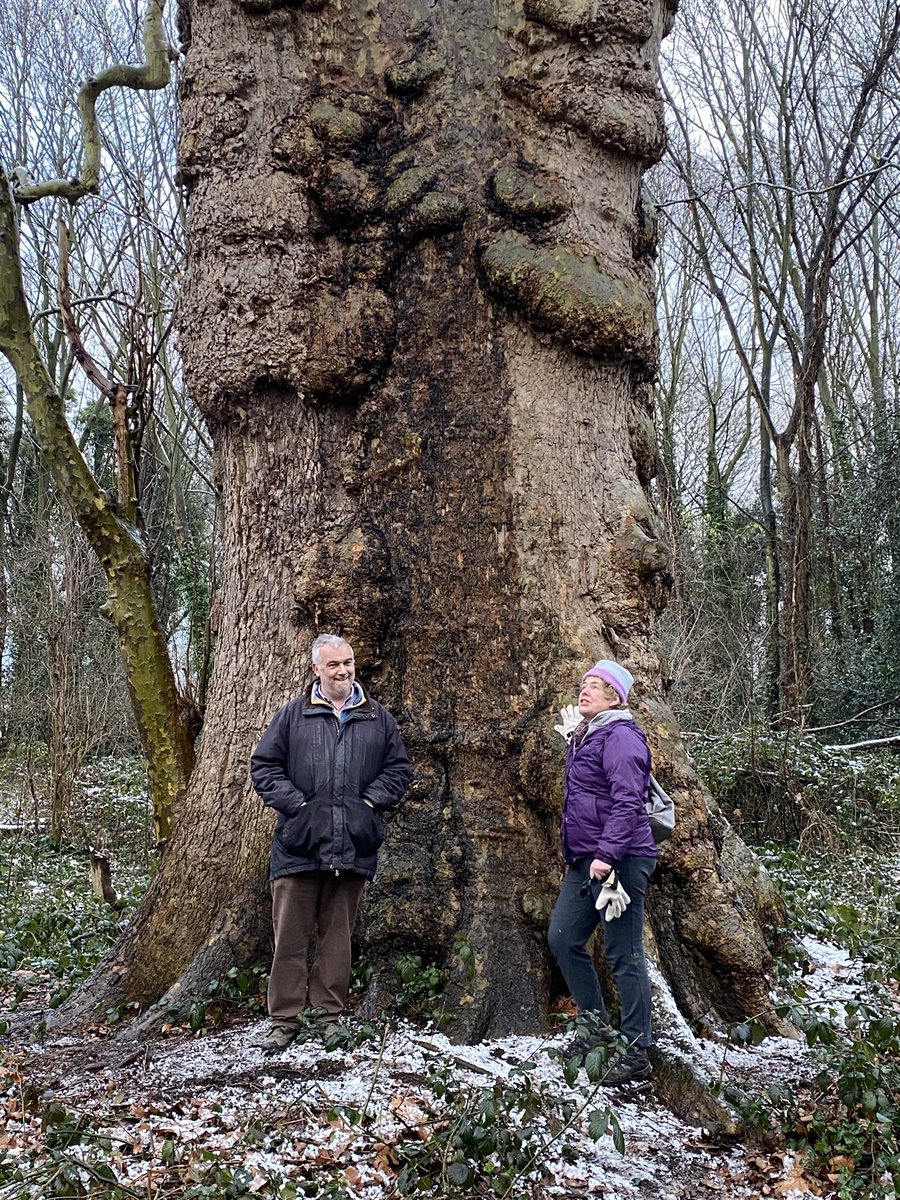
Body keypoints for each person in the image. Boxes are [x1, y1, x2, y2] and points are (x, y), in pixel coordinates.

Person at [250, 633, 411, 1051]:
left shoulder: (378, 718)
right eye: (334, 664)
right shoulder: (292, 716)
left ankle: (328, 1015)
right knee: (289, 938)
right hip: (299, 845)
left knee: (337, 939)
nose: (343, 671)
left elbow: (398, 769)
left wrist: (369, 802)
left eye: (348, 663)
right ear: (316, 669)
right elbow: (264, 766)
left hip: (353, 844)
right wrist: (298, 806)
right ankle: (283, 1020)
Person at [548, 659, 658, 1084]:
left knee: (623, 954)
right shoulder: (589, 736)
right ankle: (594, 1028)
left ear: (616, 697)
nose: (584, 691)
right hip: (587, 862)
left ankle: (636, 1051)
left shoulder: (623, 738)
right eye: (583, 684)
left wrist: (608, 855)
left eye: (596, 686)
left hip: (622, 861)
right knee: (563, 937)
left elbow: (629, 802)